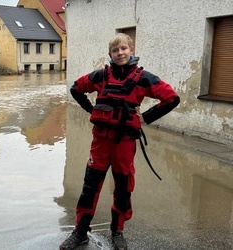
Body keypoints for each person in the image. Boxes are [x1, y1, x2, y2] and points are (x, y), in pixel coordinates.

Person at [59, 33, 180, 250]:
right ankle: (80, 232)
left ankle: (117, 232)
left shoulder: (144, 79)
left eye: (124, 48)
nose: (120, 53)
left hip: (125, 143)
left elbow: (172, 98)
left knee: (123, 189)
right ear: (110, 55)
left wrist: (146, 117)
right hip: (100, 142)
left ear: (131, 50)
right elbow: (76, 88)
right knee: (90, 186)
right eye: (115, 50)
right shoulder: (100, 76)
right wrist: (91, 109)